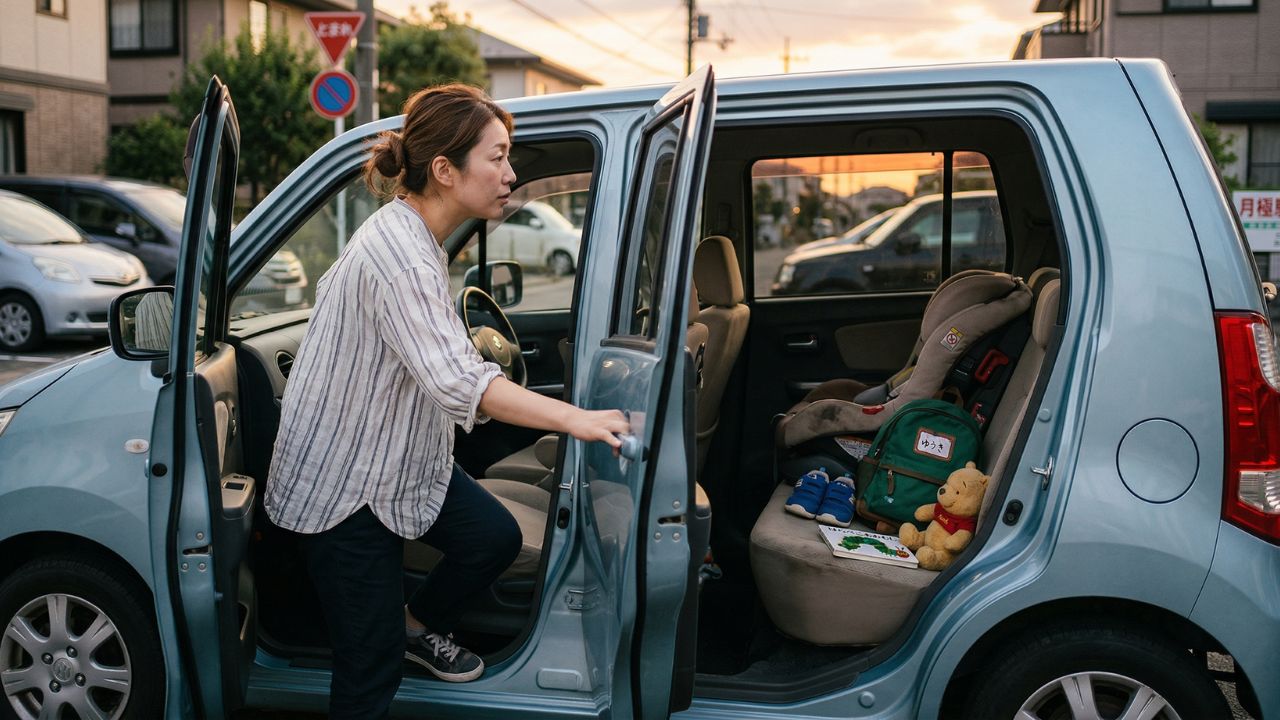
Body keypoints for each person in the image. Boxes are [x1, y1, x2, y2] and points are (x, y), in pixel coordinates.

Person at [263, 84, 629, 720]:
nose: (511, 174)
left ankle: (413, 625)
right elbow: (461, 382)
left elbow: (435, 357)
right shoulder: (401, 255)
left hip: (399, 463)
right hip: (346, 487)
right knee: (367, 673)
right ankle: (393, 641)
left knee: (492, 538)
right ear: (444, 170)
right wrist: (579, 419)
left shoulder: (419, 238)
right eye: (498, 157)